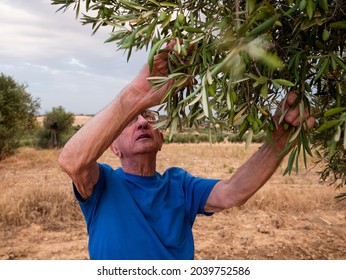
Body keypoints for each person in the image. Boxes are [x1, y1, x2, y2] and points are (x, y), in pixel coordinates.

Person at [58, 41, 315, 260]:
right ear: (112, 146)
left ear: (161, 138)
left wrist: (278, 143)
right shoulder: (102, 184)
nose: (142, 121)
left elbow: (231, 193)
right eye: (130, 121)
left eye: (149, 116)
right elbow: (71, 160)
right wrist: (138, 94)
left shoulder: (179, 184)